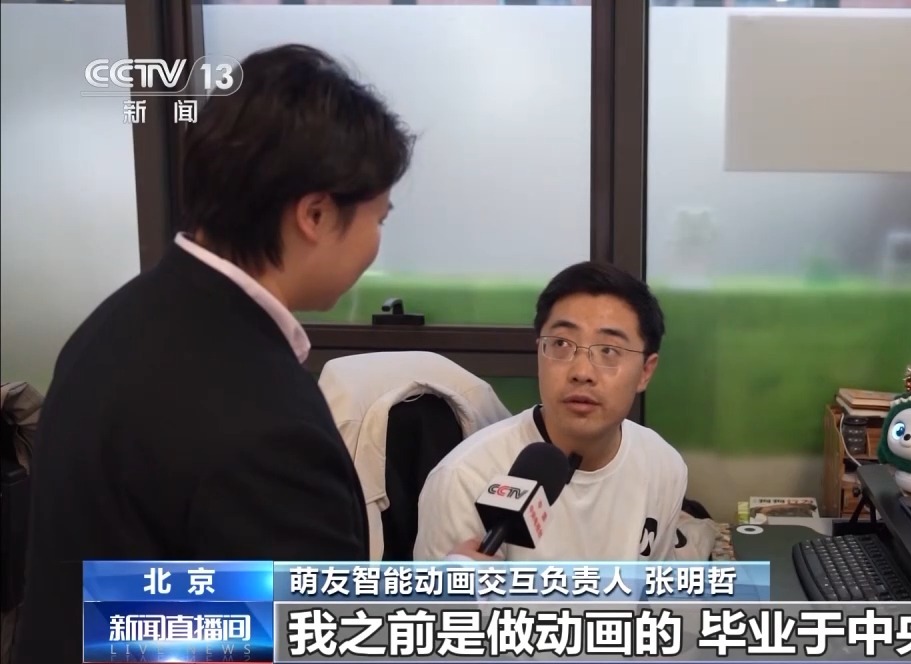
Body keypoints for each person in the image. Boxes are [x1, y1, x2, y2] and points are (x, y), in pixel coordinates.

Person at [13, 44, 417, 660]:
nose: (376, 244)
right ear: (314, 214)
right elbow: (296, 636)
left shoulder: (114, 322)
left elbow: (162, 615)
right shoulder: (266, 424)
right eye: (379, 219)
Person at [413, 262, 689, 561]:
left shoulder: (663, 466)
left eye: (608, 350)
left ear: (646, 372)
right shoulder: (464, 479)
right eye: (560, 344)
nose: (582, 372)